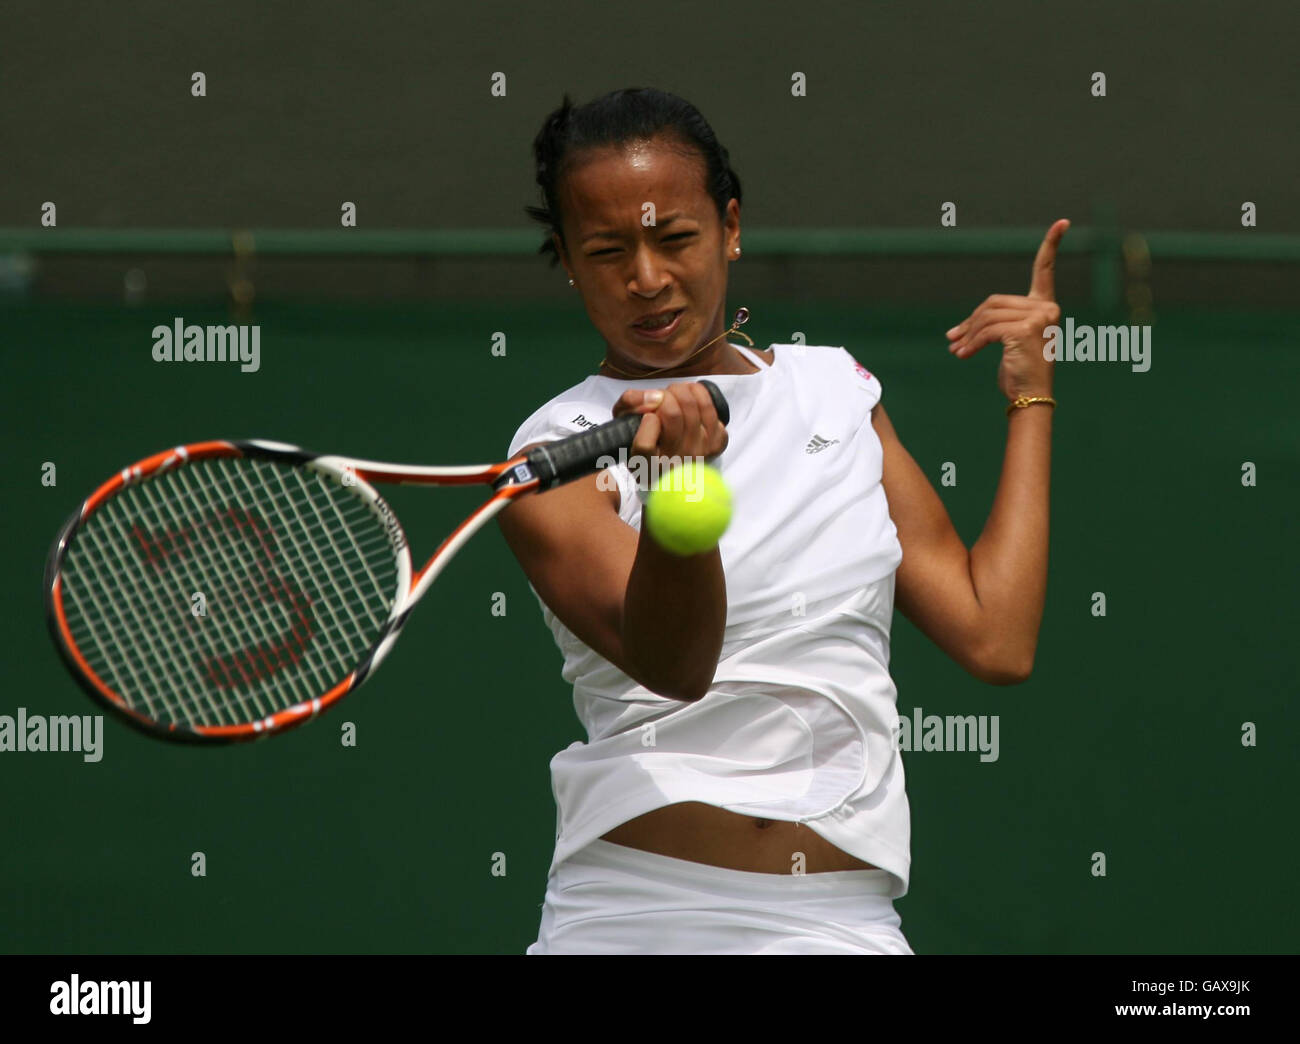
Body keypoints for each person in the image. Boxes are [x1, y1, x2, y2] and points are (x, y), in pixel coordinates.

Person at [498, 87, 1064, 954]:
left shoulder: (836, 392)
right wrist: (681, 492)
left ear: (730, 226)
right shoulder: (553, 452)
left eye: (675, 237)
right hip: (631, 918)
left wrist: (1031, 394)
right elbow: (677, 665)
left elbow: (996, 637)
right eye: (607, 250)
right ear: (569, 262)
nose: (646, 278)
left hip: (842, 924)